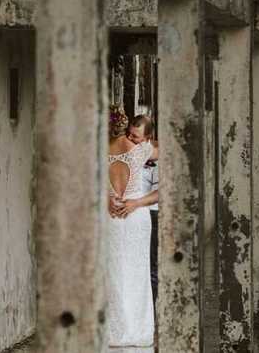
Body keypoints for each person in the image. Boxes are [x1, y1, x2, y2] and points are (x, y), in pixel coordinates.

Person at [107, 105, 157, 352]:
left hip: (111, 215)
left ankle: (113, 329)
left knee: (114, 271)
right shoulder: (142, 150)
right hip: (136, 216)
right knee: (136, 273)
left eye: (135, 135)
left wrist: (107, 197)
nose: (131, 138)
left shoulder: (98, 153)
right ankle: (136, 329)